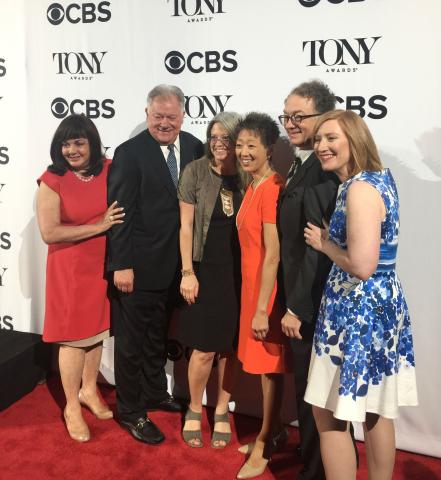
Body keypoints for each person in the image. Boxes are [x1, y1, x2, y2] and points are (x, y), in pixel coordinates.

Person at [303, 110, 418, 480]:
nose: (321, 146)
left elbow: (362, 265)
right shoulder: (379, 179)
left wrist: (325, 245)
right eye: (318, 139)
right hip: (379, 306)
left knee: (329, 413)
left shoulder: (360, 189)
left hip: (356, 312)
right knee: (374, 408)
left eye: (331, 138)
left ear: (355, 138)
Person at [107, 84, 204, 445]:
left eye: (172, 117)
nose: (165, 123)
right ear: (147, 114)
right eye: (158, 116)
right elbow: (119, 214)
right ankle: (131, 410)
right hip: (136, 266)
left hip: (175, 267)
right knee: (131, 343)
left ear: (183, 115)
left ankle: (153, 392)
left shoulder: (195, 146)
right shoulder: (129, 154)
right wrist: (122, 263)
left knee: (155, 338)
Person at [36, 114, 124, 442]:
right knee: (73, 340)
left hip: (101, 267)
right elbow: (49, 232)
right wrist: (99, 226)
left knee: (97, 334)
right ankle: (71, 405)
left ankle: (89, 390)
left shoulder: (109, 167)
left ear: (92, 143)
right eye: (66, 143)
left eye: (79, 142)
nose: (72, 150)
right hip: (69, 271)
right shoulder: (52, 179)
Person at [277, 80, 341, 480]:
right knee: (309, 389)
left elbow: (318, 248)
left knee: (317, 393)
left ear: (324, 116)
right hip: (302, 298)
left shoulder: (324, 168)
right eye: (286, 116)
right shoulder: (306, 161)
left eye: (298, 116)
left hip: (312, 304)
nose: (290, 124)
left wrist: (298, 307)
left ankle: (317, 470)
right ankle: (312, 461)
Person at [177, 111, 243, 448]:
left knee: (230, 350)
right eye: (214, 137)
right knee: (202, 350)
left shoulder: (250, 176)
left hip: (239, 276)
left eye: (226, 138)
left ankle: (220, 409)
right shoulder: (195, 172)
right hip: (204, 271)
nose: (218, 144)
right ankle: (193, 407)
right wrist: (187, 272)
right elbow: (186, 226)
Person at [235, 112, 292, 479]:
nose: (242, 152)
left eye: (251, 146)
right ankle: (274, 430)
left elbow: (273, 252)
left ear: (268, 149)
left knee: (270, 370)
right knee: (262, 370)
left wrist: (261, 310)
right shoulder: (252, 185)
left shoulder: (272, 186)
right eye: (239, 145)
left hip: (266, 297)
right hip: (251, 291)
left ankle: (267, 441)